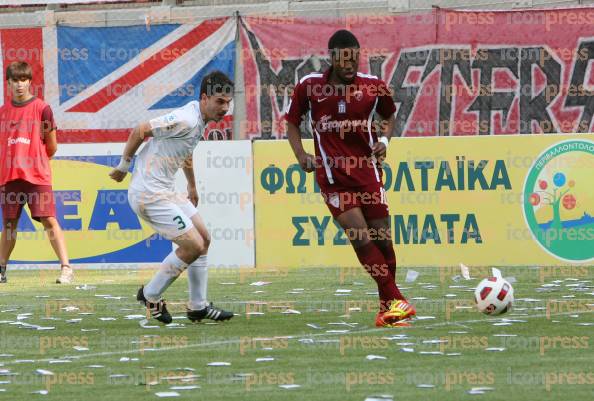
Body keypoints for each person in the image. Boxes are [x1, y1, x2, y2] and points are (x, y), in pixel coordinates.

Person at [285, 30, 415, 327]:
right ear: (331, 58)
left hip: (368, 173)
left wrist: (385, 140)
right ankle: (397, 299)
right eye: (344, 59)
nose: (350, 65)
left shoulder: (373, 86)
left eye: (354, 58)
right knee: (360, 236)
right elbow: (292, 123)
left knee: (383, 240)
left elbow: (390, 115)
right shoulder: (309, 87)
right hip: (333, 178)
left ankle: (388, 308)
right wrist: (301, 155)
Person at [109, 70, 234, 324]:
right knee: (193, 245)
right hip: (148, 194)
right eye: (220, 101)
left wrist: (192, 185)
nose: (225, 108)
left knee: (205, 239)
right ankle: (150, 294)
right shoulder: (185, 119)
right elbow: (140, 130)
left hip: (166, 190)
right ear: (204, 98)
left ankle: (198, 306)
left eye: (228, 103)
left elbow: (185, 151)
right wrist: (123, 166)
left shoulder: (199, 121)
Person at [0, 61, 73, 284]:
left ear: (30, 81)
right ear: (9, 82)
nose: (20, 84)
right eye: (15, 80)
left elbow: (52, 146)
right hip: (9, 177)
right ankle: (1, 269)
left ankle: (66, 268)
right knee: (9, 224)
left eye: (24, 79)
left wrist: (37, 160)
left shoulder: (42, 109)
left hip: (37, 176)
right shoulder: (2, 112)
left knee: (49, 220)